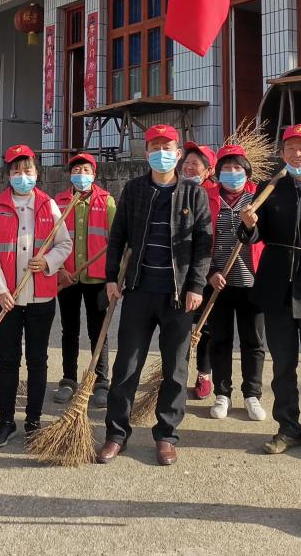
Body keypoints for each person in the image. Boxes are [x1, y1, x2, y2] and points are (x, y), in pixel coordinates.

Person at [97, 124, 213, 467]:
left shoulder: (193, 193)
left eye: (168, 147)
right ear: (146, 152)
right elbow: (118, 236)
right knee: (126, 365)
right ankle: (116, 434)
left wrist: (196, 286)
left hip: (178, 296)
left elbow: (203, 244)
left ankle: (166, 435)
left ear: (178, 154)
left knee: (175, 369)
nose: (162, 153)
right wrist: (111, 277)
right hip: (138, 290)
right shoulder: (134, 189)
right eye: (155, 147)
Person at [240, 124, 301, 455]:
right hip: (276, 285)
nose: (296, 153)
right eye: (290, 148)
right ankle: (288, 427)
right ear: (281, 154)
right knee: (282, 364)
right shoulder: (269, 188)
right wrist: (248, 224)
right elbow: (253, 236)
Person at [0, 146, 73, 447]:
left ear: (37, 172)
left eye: (28, 170)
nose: (22, 176)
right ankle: (6, 421)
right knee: (8, 360)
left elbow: (65, 244)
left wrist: (47, 262)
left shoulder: (48, 204)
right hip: (7, 299)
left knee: (37, 359)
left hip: (41, 298)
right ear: (8, 174)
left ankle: (33, 420)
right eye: (16, 171)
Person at [205, 144, 266, 423]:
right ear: (217, 172)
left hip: (252, 281)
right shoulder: (207, 197)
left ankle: (252, 394)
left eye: (237, 168)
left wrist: (251, 226)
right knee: (220, 339)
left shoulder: (259, 198)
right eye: (226, 168)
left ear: (247, 171)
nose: (232, 172)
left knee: (253, 341)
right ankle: (222, 393)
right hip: (218, 281)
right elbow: (198, 239)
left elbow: (264, 236)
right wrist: (210, 272)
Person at [52, 151, 116, 409]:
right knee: (69, 330)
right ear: (70, 174)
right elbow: (50, 239)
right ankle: (68, 379)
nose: (81, 175)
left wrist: (113, 278)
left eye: (86, 171)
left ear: (94, 174)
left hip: (98, 279)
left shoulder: (106, 201)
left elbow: (116, 242)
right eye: (76, 171)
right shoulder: (59, 202)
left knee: (98, 331)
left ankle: (101, 382)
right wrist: (59, 269)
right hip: (67, 278)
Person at [182, 141, 217, 400]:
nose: (189, 167)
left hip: (207, 270)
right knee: (179, 326)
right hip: (178, 271)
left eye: (195, 164)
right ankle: (175, 372)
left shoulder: (216, 196)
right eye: (186, 163)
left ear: (209, 170)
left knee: (206, 327)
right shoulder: (176, 191)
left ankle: (204, 373)